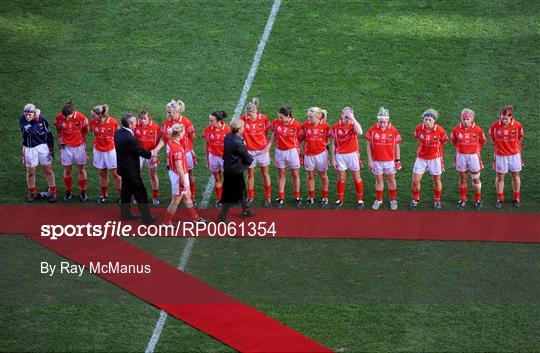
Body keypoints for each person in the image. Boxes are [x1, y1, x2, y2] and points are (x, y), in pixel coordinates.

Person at [152, 100, 198, 205]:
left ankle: (192, 196)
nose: (168, 114)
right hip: (173, 155)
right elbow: (163, 139)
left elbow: (193, 136)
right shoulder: (166, 123)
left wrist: (190, 148)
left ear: (177, 111)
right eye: (167, 112)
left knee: (189, 174)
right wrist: (156, 150)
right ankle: (179, 195)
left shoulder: (186, 121)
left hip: (185, 154)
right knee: (176, 174)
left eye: (170, 112)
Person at [114, 113, 158, 224]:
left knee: (126, 193)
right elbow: (140, 151)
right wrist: (151, 153)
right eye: (134, 122)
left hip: (123, 168)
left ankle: (125, 214)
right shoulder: (130, 138)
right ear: (130, 124)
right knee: (141, 194)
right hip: (131, 171)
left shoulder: (118, 133)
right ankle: (146, 218)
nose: (136, 123)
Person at [162, 124, 205, 225]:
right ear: (179, 133)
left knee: (187, 196)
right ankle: (166, 222)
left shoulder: (170, 142)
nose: (185, 133)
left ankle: (196, 218)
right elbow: (179, 167)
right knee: (175, 200)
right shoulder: (177, 148)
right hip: (179, 176)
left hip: (174, 173)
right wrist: (184, 182)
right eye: (183, 131)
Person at [409, 109, 449, 211]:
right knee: (415, 181)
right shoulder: (419, 128)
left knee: (436, 180)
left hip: (435, 159)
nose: (427, 122)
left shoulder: (440, 130)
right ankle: (415, 198)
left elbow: (444, 141)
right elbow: (417, 137)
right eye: (425, 119)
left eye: (429, 120)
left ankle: (437, 200)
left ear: (434, 120)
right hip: (421, 158)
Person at [218, 119, 255, 223]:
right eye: (243, 127)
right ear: (239, 130)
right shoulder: (239, 142)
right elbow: (246, 156)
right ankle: (223, 216)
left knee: (242, 191)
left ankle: (245, 210)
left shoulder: (227, 137)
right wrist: (250, 159)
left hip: (229, 169)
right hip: (235, 171)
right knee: (230, 195)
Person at [488, 105, 525, 208]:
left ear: (511, 117)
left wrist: (514, 147)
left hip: (514, 156)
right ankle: (500, 199)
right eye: (502, 118)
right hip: (500, 156)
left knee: (515, 176)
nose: (504, 120)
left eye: (506, 119)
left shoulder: (517, 125)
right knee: (500, 177)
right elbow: (492, 137)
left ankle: (516, 198)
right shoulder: (495, 126)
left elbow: (520, 137)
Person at [365, 107, 402, 210]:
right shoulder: (372, 130)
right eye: (380, 122)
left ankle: (393, 200)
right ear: (378, 120)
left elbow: (397, 146)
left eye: (384, 122)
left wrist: (397, 160)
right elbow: (368, 146)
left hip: (390, 161)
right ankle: (379, 199)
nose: (382, 124)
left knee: (391, 179)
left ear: (388, 120)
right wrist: (370, 161)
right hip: (377, 161)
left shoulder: (393, 130)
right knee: (379, 180)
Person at [19, 103, 57, 202]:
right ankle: (32, 193)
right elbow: (33, 131)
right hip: (29, 148)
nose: (27, 116)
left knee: (48, 170)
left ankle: (53, 191)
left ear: (34, 113)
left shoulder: (43, 119)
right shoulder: (22, 120)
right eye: (26, 114)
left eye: (29, 114)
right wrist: (36, 118)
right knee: (31, 172)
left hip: (43, 147)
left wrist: (51, 150)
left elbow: (49, 135)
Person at [450, 108, 487, 210]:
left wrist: (476, 149)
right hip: (461, 156)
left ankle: (478, 200)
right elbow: (453, 140)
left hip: (473, 157)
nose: (465, 121)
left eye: (467, 119)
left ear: (472, 119)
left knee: (475, 179)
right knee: (463, 178)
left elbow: (483, 141)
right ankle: (463, 199)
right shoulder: (456, 129)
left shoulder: (478, 129)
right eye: (463, 119)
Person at [54, 100, 89, 202]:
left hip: (79, 147)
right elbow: (58, 128)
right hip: (66, 148)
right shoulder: (59, 117)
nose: (65, 119)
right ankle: (68, 191)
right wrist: (61, 139)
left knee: (81, 170)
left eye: (68, 117)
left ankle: (83, 192)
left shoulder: (81, 118)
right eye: (64, 117)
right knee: (67, 170)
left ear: (73, 112)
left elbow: (85, 130)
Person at [240, 98, 272, 208]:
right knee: (250, 174)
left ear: (255, 111)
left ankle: (268, 197)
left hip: (262, 151)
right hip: (249, 152)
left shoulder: (263, 118)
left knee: (265, 173)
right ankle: (251, 197)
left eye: (251, 114)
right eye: (248, 114)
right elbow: (238, 133)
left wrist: (266, 144)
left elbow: (268, 129)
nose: (250, 116)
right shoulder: (243, 120)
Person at [268, 106, 303, 208]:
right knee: (281, 174)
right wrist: (269, 144)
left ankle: (297, 197)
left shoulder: (296, 125)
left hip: (292, 152)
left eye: (281, 117)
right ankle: (281, 197)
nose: (280, 119)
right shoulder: (276, 122)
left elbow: (300, 138)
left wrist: (297, 148)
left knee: (295, 174)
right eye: (279, 117)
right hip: (279, 151)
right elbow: (275, 134)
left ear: (288, 116)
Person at [331, 106, 365, 210]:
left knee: (356, 177)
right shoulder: (336, 127)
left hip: (353, 155)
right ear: (342, 116)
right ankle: (340, 199)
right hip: (340, 155)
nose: (347, 119)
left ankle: (360, 200)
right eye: (346, 116)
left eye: (349, 116)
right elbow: (332, 143)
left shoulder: (353, 125)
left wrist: (353, 119)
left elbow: (360, 132)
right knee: (341, 178)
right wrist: (333, 159)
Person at [299, 107, 332, 208]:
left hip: (321, 155)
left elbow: (329, 140)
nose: (309, 119)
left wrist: (324, 146)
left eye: (311, 117)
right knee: (310, 176)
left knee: (323, 176)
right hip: (309, 155)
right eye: (308, 117)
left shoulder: (325, 126)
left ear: (317, 117)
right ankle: (311, 196)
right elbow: (300, 138)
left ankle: (325, 197)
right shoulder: (305, 125)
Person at [89, 104, 121, 204]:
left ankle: (123, 196)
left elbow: (119, 137)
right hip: (98, 151)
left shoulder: (113, 122)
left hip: (110, 151)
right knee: (102, 173)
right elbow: (91, 130)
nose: (92, 118)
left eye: (94, 116)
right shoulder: (93, 122)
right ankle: (103, 195)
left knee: (115, 174)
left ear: (101, 115)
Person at [201, 110, 231, 208]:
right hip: (213, 157)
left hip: (225, 158)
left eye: (211, 120)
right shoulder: (208, 129)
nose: (209, 122)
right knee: (217, 179)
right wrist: (207, 158)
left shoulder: (227, 130)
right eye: (209, 120)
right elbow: (207, 144)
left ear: (218, 121)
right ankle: (219, 200)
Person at [134, 109, 161, 206]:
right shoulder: (135, 125)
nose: (142, 120)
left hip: (150, 154)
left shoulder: (155, 127)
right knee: (136, 176)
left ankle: (155, 197)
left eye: (144, 118)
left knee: (153, 175)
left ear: (149, 118)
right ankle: (138, 197)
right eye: (141, 119)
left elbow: (159, 141)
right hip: (139, 154)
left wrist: (155, 154)